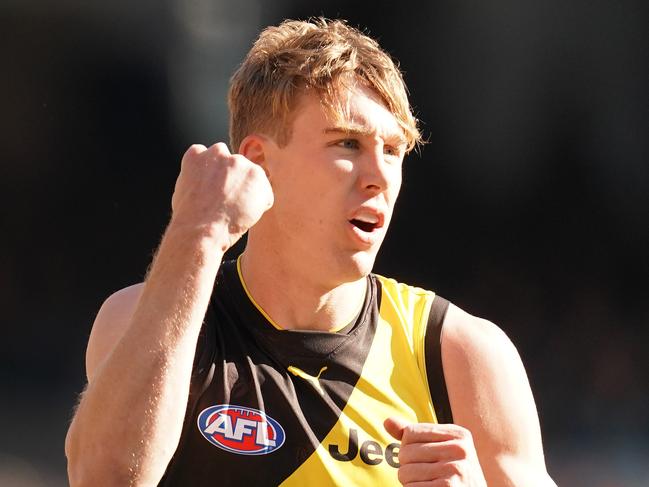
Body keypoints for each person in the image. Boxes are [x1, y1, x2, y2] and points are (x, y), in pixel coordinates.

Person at [65, 18, 556, 486]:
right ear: (258, 161)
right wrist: (197, 232)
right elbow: (104, 479)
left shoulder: (459, 354)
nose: (380, 176)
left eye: (393, 150)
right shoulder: (145, 319)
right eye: (347, 143)